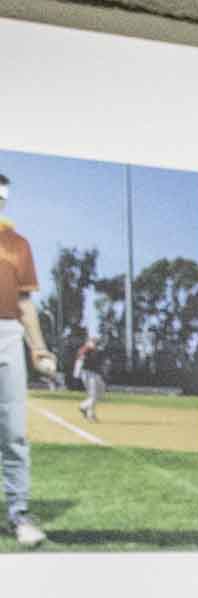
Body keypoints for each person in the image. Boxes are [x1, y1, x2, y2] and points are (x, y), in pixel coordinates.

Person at [1, 168, 61, 549]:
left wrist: (38, 347)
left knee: (14, 431)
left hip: (7, 333)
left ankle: (18, 513)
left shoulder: (17, 243)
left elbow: (25, 303)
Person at [73, 332, 106, 423]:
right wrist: (76, 375)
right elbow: (80, 359)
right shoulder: (86, 349)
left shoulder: (95, 349)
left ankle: (85, 407)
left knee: (102, 390)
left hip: (95, 374)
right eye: (94, 340)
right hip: (88, 373)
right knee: (93, 395)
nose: (96, 342)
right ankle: (87, 411)